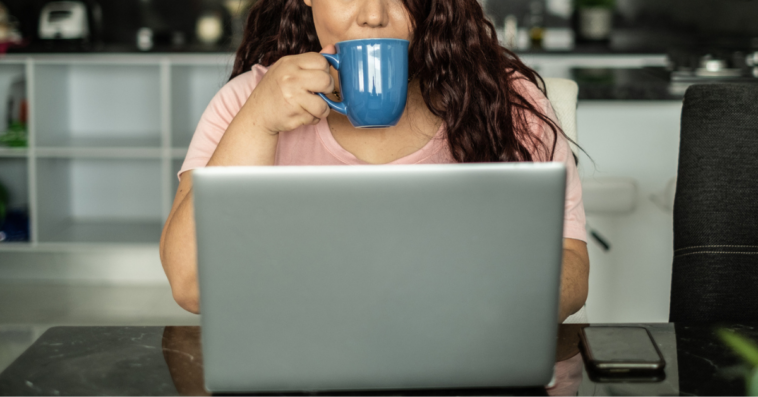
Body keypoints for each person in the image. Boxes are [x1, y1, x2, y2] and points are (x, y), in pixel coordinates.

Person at [159, 0, 589, 322]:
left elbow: (572, 270)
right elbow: (191, 283)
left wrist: (472, 297)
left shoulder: (504, 103)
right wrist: (257, 121)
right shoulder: (245, 104)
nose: (373, 16)